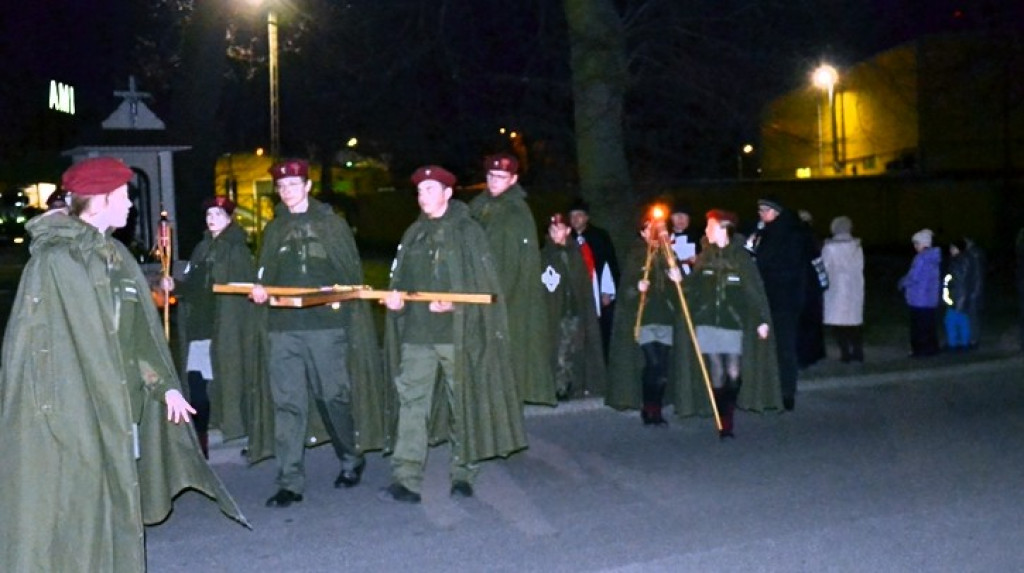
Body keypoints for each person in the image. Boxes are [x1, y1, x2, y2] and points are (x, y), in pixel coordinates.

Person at [0, 157, 247, 572]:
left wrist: (162, 385)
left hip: (120, 408)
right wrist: (59, 419)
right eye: (124, 196)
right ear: (99, 200)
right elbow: (37, 355)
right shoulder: (55, 262)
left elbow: (136, 340)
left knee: (119, 502)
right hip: (73, 416)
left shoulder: (116, 257)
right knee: (79, 511)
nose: (131, 205)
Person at [380, 165, 526, 503]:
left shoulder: (468, 233)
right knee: (412, 402)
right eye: (419, 191)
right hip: (418, 334)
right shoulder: (413, 234)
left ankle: (464, 471)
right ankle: (406, 477)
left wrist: (456, 307)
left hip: (456, 335)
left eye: (430, 190)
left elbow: (484, 288)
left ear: (448, 194)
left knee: (462, 402)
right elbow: (401, 281)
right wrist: (396, 300)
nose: (423, 197)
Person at [250, 158, 388, 508]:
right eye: (281, 187)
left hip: (326, 328)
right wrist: (261, 290)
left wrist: (337, 289)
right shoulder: (274, 229)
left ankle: (350, 457)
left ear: (308, 186)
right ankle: (289, 480)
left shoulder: (331, 225)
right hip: (284, 330)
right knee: (287, 404)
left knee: (333, 397)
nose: (287, 192)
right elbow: (264, 275)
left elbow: (352, 275)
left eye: (293, 185)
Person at [683, 209, 781, 438]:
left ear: (723, 228)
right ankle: (724, 422)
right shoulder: (705, 255)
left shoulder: (741, 257)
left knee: (734, 372)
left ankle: (728, 408)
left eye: (710, 226)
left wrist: (761, 320)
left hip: (733, 321)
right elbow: (693, 286)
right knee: (716, 372)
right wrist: (680, 280)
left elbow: (754, 291)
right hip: (708, 321)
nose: (706, 230)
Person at [469, 152, 555, 405]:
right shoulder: (478, 206)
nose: (495, 181)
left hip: (503, 295)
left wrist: (494, 294)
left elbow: (510, 262)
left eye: (501, 176)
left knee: (504, 354)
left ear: (513, 179)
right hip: (477, 290)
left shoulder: (515, 212)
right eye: (491, 175)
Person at [177, 196, 257, 457]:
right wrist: (175, 286)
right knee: (197, 378)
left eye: (219, 214)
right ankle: (202, 437)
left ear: (230, 218)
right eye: (209, 214)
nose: (212, 219)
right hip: (201, 322)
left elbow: (238, 289)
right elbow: (193, 283)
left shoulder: (237, 250)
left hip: (223, 326)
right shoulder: (202, 248)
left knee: (221, 377)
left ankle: (226, 430)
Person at [606, 212, 683, 425]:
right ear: (643, 231)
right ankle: (649, 408)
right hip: (645, 317)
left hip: (665, 317)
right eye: (652, 228)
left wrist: (678, 278)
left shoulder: (669, 254)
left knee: (663, 367)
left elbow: (681, 290)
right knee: (653, 363)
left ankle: (656, 407)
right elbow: (626, 289)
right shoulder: (636, 254)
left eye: (660, 228)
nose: (658, 232)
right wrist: (636, 288)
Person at [747, 197, 812, 410]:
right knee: (767, 347)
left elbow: (783, 265)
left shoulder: (790, 235)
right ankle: (769, 391)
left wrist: (761, 261)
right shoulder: (765, 234)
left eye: (765, 210)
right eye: (759, 210)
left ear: (777, 212)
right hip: (767, 298)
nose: (761, 215)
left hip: (784, 300)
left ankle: (786, 393)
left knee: (784, 347)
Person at [540, 212, 608, 399]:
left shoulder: (575, 254)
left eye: (559, 229)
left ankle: (576, 384)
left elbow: (583, 283)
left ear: (567, 230)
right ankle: (559, 386)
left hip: (576, 310)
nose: (556, 233)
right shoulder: (545, 255)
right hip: (557, 312)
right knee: (559, 348)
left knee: (576, 348)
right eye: (553, 230)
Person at [569, 198, 619, 360]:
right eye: (572, 216)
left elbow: (608, 265)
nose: (576, 219)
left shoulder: (599, 236)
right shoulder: (566, 237)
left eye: (579, 215)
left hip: (597, 291)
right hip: (574, 292)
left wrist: (607, 291)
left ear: (587, 217)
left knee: (599, 330)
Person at [821, 216, 865, 362]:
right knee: (854, 322)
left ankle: (845, 353)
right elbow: (860, 266)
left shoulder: (830, 247)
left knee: (838, 322)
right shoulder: (856, 247)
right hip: (855, 286)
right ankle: (858, 352)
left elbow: (825, 267)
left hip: (836, 287)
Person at [898, 228, 942, 357]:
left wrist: (902, 282)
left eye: (916, 243)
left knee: (918, 327)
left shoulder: (921, 258)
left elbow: (913, 277)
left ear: (924, 244)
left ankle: (919, 351)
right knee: (929, 326)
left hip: (918, 298)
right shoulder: (934, 258)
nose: (915, 246)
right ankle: (932, 348)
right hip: (930, 298)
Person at [796, 209, 826, 368]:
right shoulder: (813, 238)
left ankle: (803, 355)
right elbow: (818, 262)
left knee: (802, 323)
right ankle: (813, 354)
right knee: (813, 322)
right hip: (811, 286)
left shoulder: (794, 238)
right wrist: (823, 283)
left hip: (799, 286)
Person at [942, 238, 975, 351]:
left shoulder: (960, 261)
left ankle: (954, 345)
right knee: (961, 321)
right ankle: (962, 344)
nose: (951, 250)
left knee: (951, 321)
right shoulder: (961, 260)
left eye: (953, 248)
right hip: (958, 297)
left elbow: (960, 281)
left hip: (957, 297)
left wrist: (957, 299)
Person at [668, 202, 699, 274]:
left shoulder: (700, 239)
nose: (680, 218)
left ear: (689, 218)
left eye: (684, 215)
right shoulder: (665, 238)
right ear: (671, 218)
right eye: (676, 215)